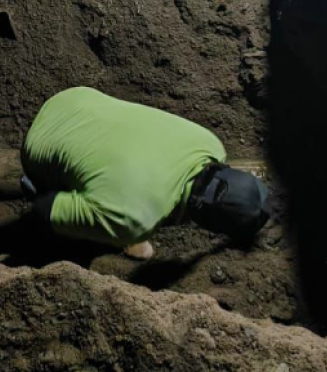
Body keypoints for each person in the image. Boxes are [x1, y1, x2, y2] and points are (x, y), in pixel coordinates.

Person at [20, 87, 269, 259]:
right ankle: (41, 188)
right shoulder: (135, 219)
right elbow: (43, 210)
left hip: (77, 98)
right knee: (94, 228)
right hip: (39, 143)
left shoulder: (210, 144)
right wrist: (122, 228)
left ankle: (99, 211)